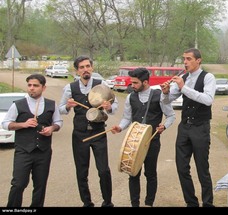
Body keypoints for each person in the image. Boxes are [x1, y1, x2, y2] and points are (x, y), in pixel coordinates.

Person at [111, 67, 176, 207]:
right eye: (131, 82)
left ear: (145, 82)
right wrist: (120, 127)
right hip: (133, 143)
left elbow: (171, 115)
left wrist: (164, 126)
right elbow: (127, 118)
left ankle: (149, 203)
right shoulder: (130, 97)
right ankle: (135, 204)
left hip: (152, 141)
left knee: (150, 174)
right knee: (133, 174)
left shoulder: (159, 95)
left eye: (135, 83)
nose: (132, 85)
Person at [59, 56, 118, 207]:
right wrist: (68, 106)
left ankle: (107, 202)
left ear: (92, 67)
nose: (85, 69)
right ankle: (87, 202)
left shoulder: (102, 84)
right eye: (81, 67)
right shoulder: (69, 88)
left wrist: (108, 107)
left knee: (103, 170)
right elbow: (61, 110)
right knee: (81, 171)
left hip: (98, 133)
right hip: (79, 134)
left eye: (87, 66)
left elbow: (114, 106)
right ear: (77, 71)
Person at [160, 48, 216, 207]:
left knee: (202, 169)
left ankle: (208, 203)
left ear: (198, 60)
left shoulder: (208, 77)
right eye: (184, 59)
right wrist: (165, 93)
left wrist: (183, 87)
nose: (185, 62)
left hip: (200, 127)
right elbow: (167, 100)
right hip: (184, 127)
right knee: (182, 168)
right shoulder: (183, 77)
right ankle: (191, 203)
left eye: (189, 59)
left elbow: (207, 100)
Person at [2, 74, 62, 207]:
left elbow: (58, 122)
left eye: (35, 85)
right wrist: (22, 124)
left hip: (43, 151)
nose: (31, 88)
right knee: (18, 184)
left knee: (40, 185)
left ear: (43, 87)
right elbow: (6, 124)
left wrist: (52, 128)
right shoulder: (18, 105)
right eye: (29, 85)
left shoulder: (51, 104)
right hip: (23, 151)